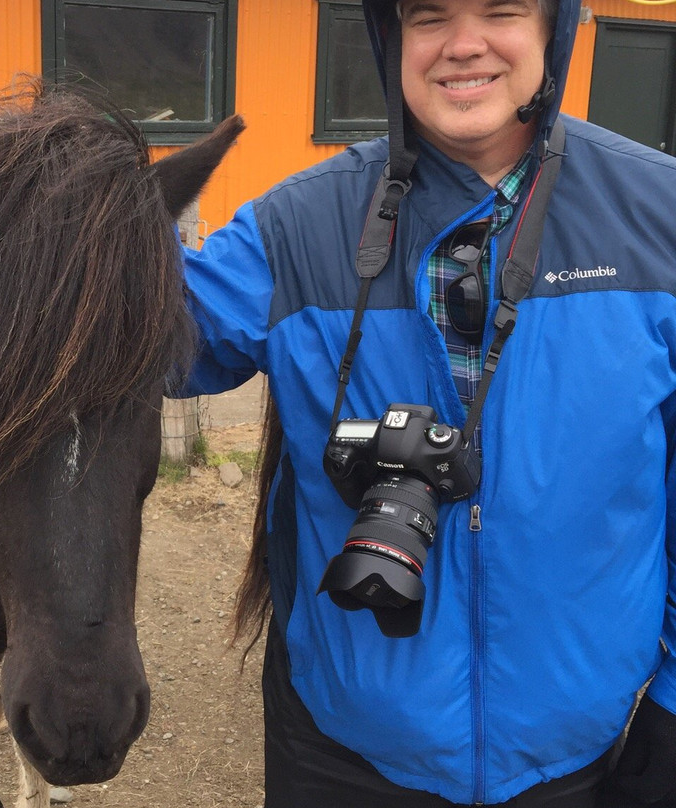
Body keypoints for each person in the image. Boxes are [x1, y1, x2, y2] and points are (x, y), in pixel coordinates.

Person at [178, 0, 676, 804]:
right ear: (390, 37)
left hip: (577, 753)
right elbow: (144, 339)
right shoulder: (298, 228)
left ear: (554, 28)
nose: (463, 45)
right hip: (342, 747)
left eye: (500, 9)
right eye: (429, 15)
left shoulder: (658, 216)